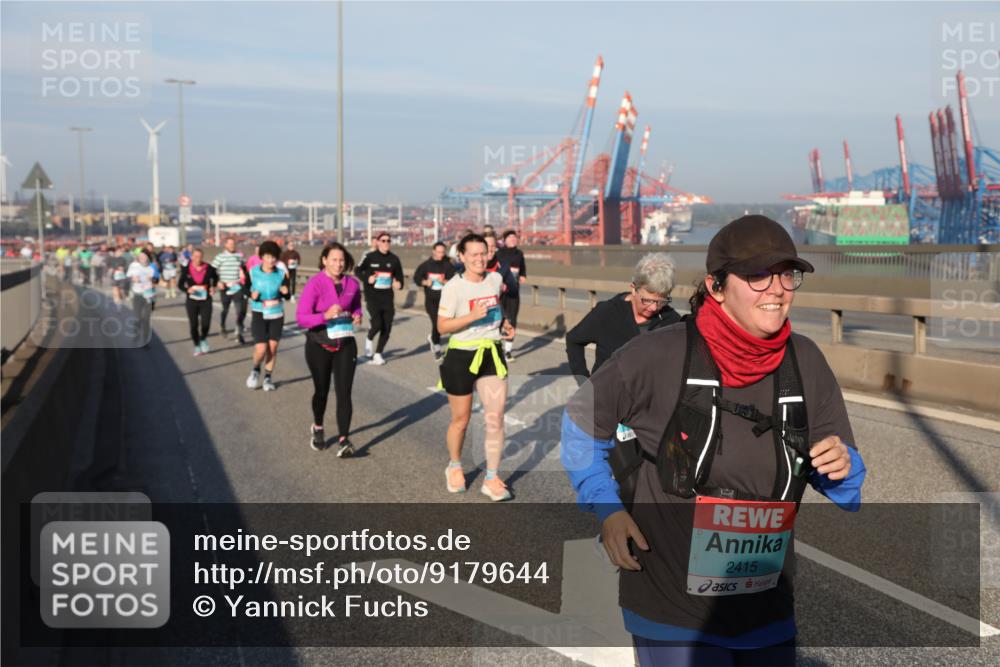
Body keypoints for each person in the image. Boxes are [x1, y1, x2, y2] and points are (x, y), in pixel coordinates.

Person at [561, 215, 867, 666]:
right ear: (717, 286)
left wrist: (842, 465)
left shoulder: (805, 361)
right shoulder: (658, 354)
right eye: (757, 275)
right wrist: (607, 510)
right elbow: (579, 424)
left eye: (786, 274)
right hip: (670, 609)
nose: (777, 289)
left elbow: (847, 487)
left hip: (767, 610)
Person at [437, 233, 516, 502]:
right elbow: (442, 326)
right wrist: (471, 317)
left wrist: (503, 324)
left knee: (495, 418)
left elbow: (496, 310)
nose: (480, 259)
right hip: (461, 355)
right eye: (474, 255)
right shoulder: (453, 288)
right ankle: (455, 465)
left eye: (484, 253)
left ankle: (492, 478)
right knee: (461, 420)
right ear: (462, 257)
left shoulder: (495, 280)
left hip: (491, 353)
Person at [565, 253, 681, 381]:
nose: (654, 308)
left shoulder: (672, 322)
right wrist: (585, 385)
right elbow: (573, 340)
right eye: (647, 300)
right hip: (605, 397)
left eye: (661, 301)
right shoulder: (607, 313)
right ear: (633, 289)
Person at [296, 242, 363, 457]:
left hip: (345, 344)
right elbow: (301, 318)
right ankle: (318, 426)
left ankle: (344, 439)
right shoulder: (315, 284)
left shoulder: (352, 284)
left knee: (345, 393)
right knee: (322, 391)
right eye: (334, 259)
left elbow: (356, 303)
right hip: (319, 345)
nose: (338, 264)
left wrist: (357, 314)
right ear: (324, 260)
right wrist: (324, 316)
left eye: (342, 260)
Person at [246, 241, 291, 392]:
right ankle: (255, 369)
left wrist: (286, 292)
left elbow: (288, 294)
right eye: (267, 257)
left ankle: (268, 378)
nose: (271, 260)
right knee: (261, 348)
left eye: (274, 257)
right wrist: (251, 295)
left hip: (276, 313)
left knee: (272, 347)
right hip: (259, 312)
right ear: (262, 257)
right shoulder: (253, 272)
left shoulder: (281, 274)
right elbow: (246, 289)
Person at [355, 231, 404, 365]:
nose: (386, 243)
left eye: (388, 241)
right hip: (372, 297)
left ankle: (378, 353)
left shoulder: (394, 259)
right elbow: (357, 270)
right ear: (377, 242)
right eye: (383, 240)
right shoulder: (370, 257)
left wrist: (398, 284)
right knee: (377, 324)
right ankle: (369, 339)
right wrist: (367, 278)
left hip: (387, 298)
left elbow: (399, 278)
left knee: (387, 327)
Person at [413, 242, 456, 359]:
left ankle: (433, 337)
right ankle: (437, 349)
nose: (441, 255)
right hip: (431, 300)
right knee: (437, 324)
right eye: (438, 252)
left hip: (445, 301)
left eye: (443, 252)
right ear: (433, 251)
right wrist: (425, 282)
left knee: (445, 324)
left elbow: (454, 282)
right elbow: (416, 278)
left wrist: (445, 282)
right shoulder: (426, 265)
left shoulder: (448, 266)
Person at [177, 248, 219, 356]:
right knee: (194, 325)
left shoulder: (208, 268)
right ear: (192, 257)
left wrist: (213, 287)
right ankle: (197, 345)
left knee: (206, 323)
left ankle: (203, 338)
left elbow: (216, 278)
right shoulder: (186, 269)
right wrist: (187, 290)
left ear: (202, 257)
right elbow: (180, 284)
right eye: (195, 256)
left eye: (200, 256)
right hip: (192, 300)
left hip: (206, 299)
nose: (197, 259)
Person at [495, 230, 528, 361]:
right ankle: (497, 348)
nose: (513, 240)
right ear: (505, 240)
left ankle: (508, 351)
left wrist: (523, 276)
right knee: (498, 319)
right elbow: (494, 270)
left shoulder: (519, 254)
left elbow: (523, 268)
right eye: (510, 237)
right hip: (500, 291)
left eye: (515, 238)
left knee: (512, 319)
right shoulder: (499, 254)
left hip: (513, 291)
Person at [213, 237, 249, 344]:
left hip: (237, 286)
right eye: (230, 244)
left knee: (240, 311)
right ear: (225, 245)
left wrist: (245, 279)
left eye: (234, 244)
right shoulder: (220, 257)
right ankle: (223, 325)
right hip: (225, 286)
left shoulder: (239, 256)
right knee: (225, 309)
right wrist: (217, 282)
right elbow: (211, 270)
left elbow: (245, 269)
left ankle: (239, 333)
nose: (232, 246)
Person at [126, 250, 157, 346]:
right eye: (141, 257)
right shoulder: (134, 266)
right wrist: (133, 279)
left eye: (144, 257)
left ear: (148, 257)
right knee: (137, 318)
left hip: (148, 296)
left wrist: (152, 281)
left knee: (146, 319)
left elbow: (157, 279)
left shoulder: (152, 267)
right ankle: (135, 336)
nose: (142, 259)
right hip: (138, 295)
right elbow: (127, 276)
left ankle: (145, 341)